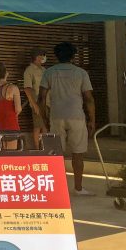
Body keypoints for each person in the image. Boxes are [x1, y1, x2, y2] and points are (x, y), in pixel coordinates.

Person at [39, 42, 96, 196]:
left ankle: (57, 188)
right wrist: (92, 119)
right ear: (73, 55)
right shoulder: (81, 73)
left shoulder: (49, 72)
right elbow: (89, 98)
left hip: (56, 116)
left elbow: (42, 97)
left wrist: (44, 118)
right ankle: (78, 188)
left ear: (57, 56)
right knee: (78, 153)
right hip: (77, 116)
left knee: (56, 153)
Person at [0, 62, 23, 150]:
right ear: (6, 73)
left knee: (1, 156)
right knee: (11, 156)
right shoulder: (13, 88)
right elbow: (18, 109)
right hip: (11, 125)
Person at [22, 48, 47, 148]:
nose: (44, 58)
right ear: (37, 57)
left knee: (45, 126)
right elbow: (27, 89)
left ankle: (46, 147)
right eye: (42, 55)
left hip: (47, 102)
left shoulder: (45, 70)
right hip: (37, 102)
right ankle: (37, 149)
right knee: (38, 126)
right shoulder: (29, 70)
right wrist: (34, 104)